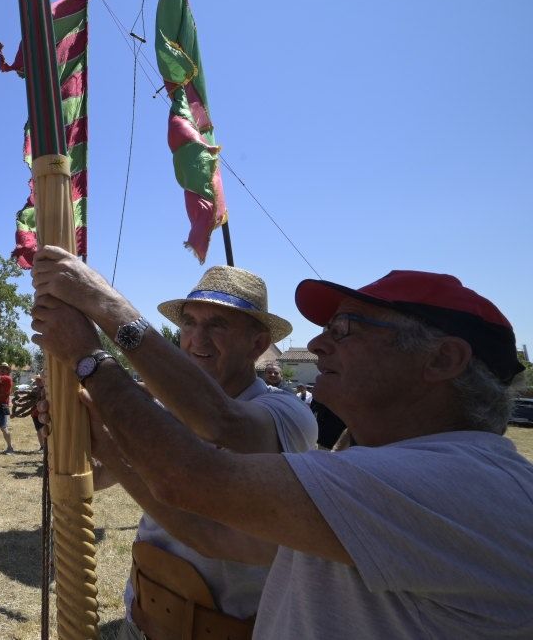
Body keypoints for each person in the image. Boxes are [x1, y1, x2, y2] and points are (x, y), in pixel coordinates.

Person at [34, 257, 533, 638]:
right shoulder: (379, 465)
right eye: (189, 323)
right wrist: (89, 436)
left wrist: (96, 342)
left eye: (345, 330)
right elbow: (213, 532)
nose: (318, 345)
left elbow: (199, 465)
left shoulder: (451, 484)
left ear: (443, 358)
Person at [32, 252, 317, 638]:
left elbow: (219, 430)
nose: (197, 339)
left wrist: (94, 337)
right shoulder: (162, 409)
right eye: (189, 322)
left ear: (257, 344)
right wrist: (69, 434)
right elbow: (99, 477)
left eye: (217, 325)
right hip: (141, 620)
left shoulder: (285, 413)